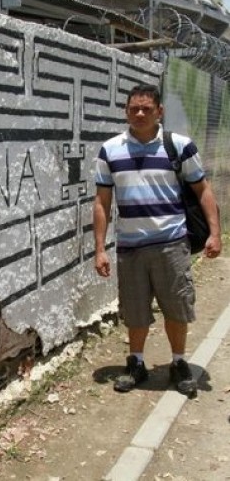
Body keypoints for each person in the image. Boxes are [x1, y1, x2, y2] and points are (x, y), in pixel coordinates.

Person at [93, 83, 221, 396]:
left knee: (176, 307)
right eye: (133, 108)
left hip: (171, 243)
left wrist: (215, 233)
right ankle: (135, 362)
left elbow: (202, 190)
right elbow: (102, 202)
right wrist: (100, 249)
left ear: (159, 111)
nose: (139, 113)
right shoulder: (110, 150)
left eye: (146, 108)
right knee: (135, 310)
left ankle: (178, 363)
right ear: (125, 111)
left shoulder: (179, 146)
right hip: (130, 247)